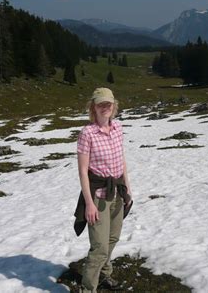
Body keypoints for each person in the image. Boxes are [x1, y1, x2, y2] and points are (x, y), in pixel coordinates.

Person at [74, 87, 132, 293]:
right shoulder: (87, 133)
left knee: (112, 238)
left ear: (114, 105)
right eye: (101, 104)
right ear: (93, 107)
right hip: (98, 197)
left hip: (117, 192)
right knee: (99, 247)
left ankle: (104, 275)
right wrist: (89, 203)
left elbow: (121, 160)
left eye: (108, 103)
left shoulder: (118, 127)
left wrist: (128, 189)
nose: (105, 107)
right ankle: (87, 288)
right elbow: (82, 172)